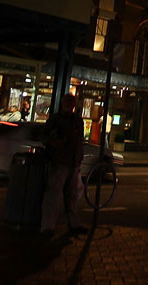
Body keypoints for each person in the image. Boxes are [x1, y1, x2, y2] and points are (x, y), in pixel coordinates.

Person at [40, 93, 87, 238]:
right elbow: (44, 136)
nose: (70, 105)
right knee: (54, 195)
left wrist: (78, 159)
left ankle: (71, 223)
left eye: (71, 102)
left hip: (71, 162)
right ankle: (47, 226)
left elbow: (79, 141)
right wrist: (54, 142)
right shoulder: (57, 119)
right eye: (68, 102)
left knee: (70, 196)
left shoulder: (77, 121)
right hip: (60, 161)